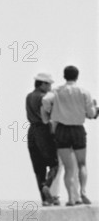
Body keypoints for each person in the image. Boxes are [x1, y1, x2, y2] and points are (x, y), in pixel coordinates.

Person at [42, 66, 97, 206]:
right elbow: (91, 113)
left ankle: (71, 198)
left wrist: (50, 111)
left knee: (68, 168)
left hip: (62, 130)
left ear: (64, 76)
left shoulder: (57, 91)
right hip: (78, 129)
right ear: (77, 76)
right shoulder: (83, 92)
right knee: (82, 164)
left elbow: (45, 100)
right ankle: (83, 191)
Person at [25, 72, 59, 206]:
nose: (50, 87)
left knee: (39, 168)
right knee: (54, 163)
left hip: (31, 131)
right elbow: (48, 115)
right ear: (43, 84)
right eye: (49, 84)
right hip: (43, 130)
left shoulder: (29, 96)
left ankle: (45, 200)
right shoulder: (44, 97)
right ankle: (47, 185)